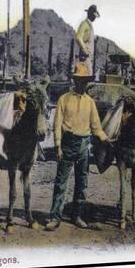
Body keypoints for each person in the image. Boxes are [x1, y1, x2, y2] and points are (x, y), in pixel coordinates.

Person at [46, 62, 110, 231]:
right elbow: (57, 123)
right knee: (61, 182)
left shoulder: (90, 102)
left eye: (85, 81)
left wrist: (106, 139)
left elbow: (96, 126)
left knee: (82, 182)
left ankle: (77, 216)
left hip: (83, 144)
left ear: (87, 82)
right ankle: (55, 217)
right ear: (74, 80)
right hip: (67, 143)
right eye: (79, 80)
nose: (82, 83)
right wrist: (58, 145)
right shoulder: (63, 99)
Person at [75, 4, 100, 75]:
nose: (95, 17)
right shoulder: (84, 24)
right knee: (86, 76)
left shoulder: (89, 25)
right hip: (85, 56)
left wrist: (94, 39)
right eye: (94, 15)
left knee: (88, 75)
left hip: (89, 56)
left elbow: (86, 37)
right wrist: (85, 49)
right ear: (90, 14)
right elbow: (78, 37)